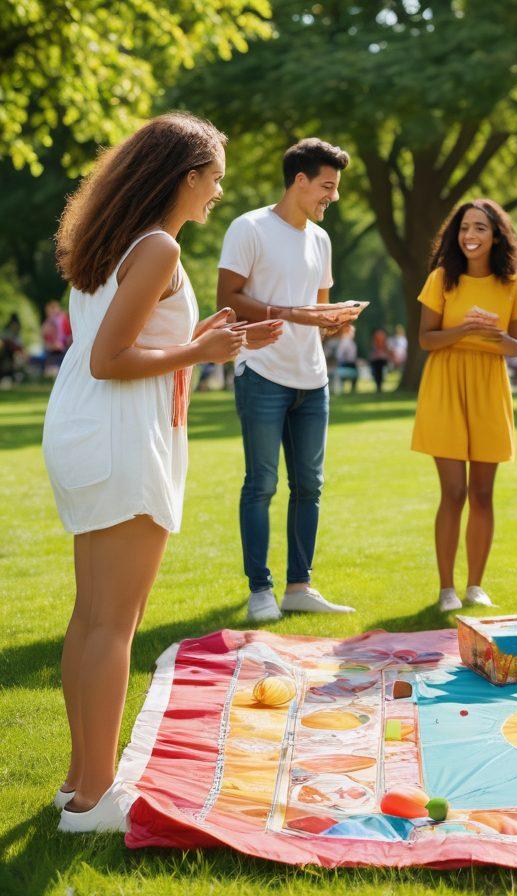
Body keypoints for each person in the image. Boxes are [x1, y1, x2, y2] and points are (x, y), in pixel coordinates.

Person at [43, 113, 282, 832]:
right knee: (114, 623)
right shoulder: (156, 247)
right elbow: (109, 358)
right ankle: (95, 799)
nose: (217, 192)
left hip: (88, 429)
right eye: (213, 178)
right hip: (115, 432)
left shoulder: (120, 240)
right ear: (184, 176)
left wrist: (204, 337)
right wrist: (200, 355)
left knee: (93, 618)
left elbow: (129, 339)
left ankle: (78, 783)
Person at [218, 138, 364, 622]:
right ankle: (260, 589)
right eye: (327, 186)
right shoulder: (250, 228)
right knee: (260, 484)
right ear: (299, 181)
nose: (333, 197)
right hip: (261, 373)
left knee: (310, 487)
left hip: (313, 377)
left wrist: (337, 319)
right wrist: (291, 313)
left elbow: (317, 310)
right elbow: (227, 297)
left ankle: (298, 586)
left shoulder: (320, 240)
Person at [411, 198, 517, 612]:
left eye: (480, 228)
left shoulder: (514, 284)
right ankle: (447, 589)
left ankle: (475, 586)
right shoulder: (443, 279)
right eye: (464, 228)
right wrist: (463, 328)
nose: (470, 236)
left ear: (495, 234)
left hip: (489, 386)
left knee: (483, 493)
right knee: (454, 491)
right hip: (445, 384)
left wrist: (496, 336)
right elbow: (426, 339)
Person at [335, 322, 359, 392]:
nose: (353, 333)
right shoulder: (346, 342)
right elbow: (340, 355)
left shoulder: (347, 341)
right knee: (355, 371)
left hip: (346, 364)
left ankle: (351, 389)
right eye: (352, 331)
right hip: (346, 365)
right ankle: (352, 389)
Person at [369, 326, 389, 392]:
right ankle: (379, 386)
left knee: (379, 374)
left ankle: (379, 386)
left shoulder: (379, 338)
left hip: (380, 358)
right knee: (377, 373)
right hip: (376, 358)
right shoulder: (377, 339)